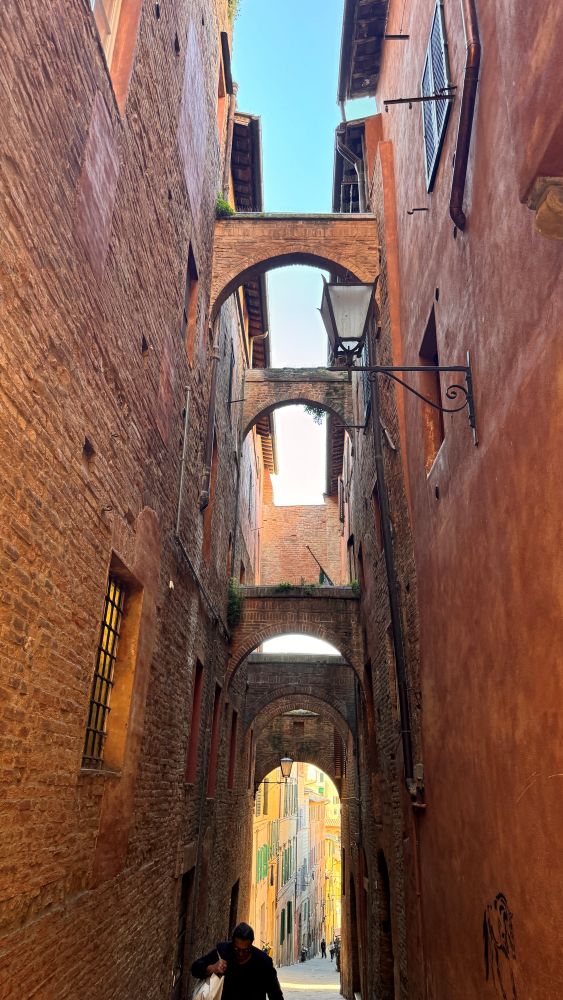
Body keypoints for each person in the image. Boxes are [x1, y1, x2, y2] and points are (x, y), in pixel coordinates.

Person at [191, 922, 284, 1000]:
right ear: (232, 943)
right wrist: (212, 968)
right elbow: (195, 969)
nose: (241, 954)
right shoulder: (223, 953)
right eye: (237, 949)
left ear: (251, 945)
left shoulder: (263, 962)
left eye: (245, 950)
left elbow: (275, 994)